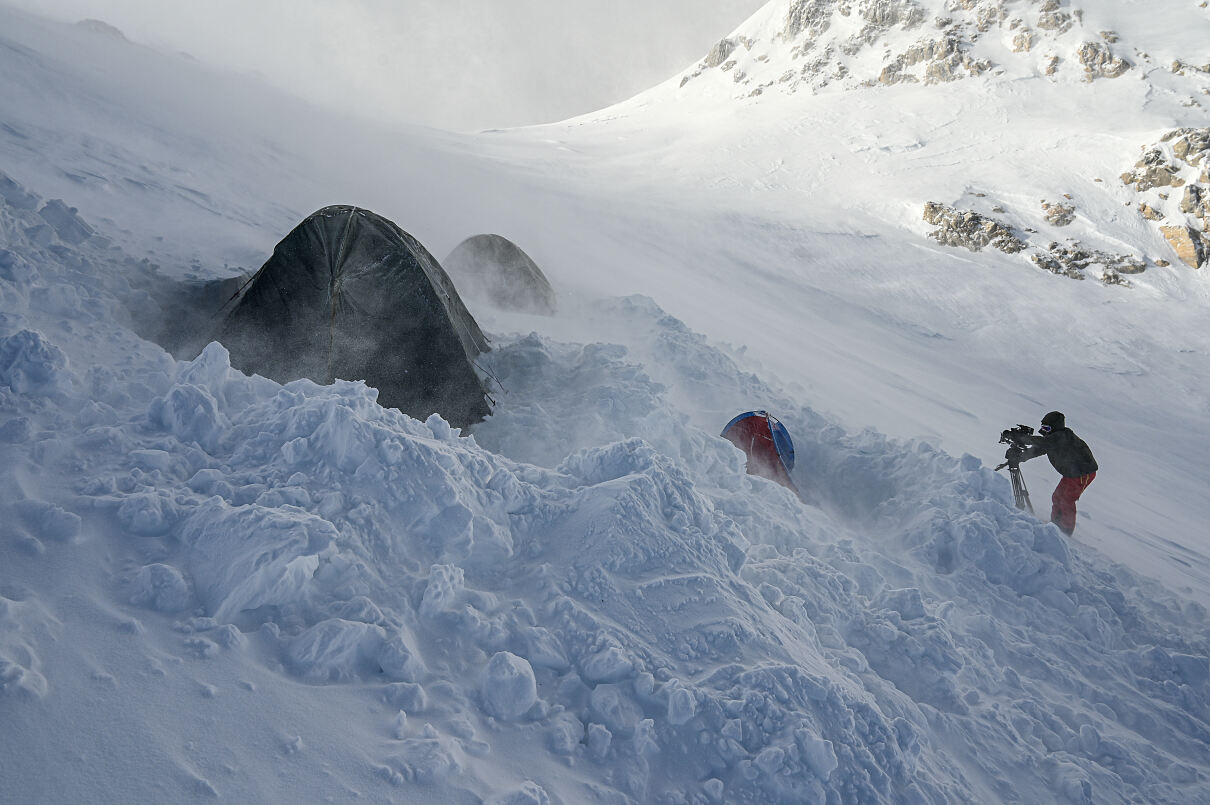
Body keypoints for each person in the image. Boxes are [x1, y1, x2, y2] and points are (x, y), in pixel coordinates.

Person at [1018, 411, 1098, 536]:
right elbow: (1039, 449)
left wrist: (1022, 438)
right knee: (1057, 496)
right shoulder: (1052, 440)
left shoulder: (1063, 436)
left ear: (1055, 427)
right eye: (1043, 427)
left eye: (1047, 428)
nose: (1044, 431)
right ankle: (1055, 523)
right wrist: (1020, 457)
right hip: (1071, 473)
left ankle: (1065, 530)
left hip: (1083, 473)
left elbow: (1043, 442)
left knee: (1067, 500)